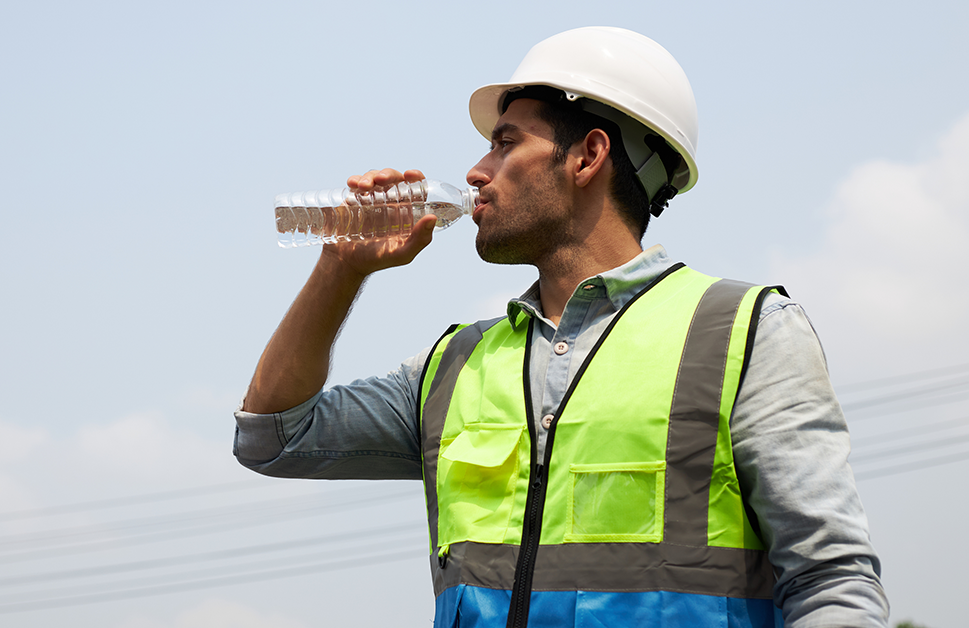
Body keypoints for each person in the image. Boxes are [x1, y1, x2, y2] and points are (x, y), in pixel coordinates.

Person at [234, 27, 888, 628]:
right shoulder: (453, 365)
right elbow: (271, 437)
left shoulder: (745, 334)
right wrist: (339, 271)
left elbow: (832, 582)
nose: (474, 171)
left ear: (588, 155)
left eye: (506, 140)